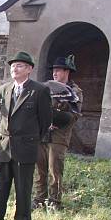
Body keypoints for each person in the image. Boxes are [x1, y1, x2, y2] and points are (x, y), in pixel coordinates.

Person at [0, 51, 52, 220]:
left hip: (25, 148)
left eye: (20, 65)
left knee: (23, 190)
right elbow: (4, 116)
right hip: (5, 147)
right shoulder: (4, 89)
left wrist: (30, 139)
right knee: (0, 188)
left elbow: (45, 121)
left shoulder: (39, 90)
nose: (15, 68)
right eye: (13, 65)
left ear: (30, 69)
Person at [33, 55, 83, 211]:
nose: (55, 73)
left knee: (55, 169)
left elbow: (75, 115)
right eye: (54, 70)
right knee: (40, 168)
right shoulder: (46, 88)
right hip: (43, 133)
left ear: (67, 72)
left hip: (59, 135)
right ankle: (39, 199)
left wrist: (57, 121)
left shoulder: (75, 91)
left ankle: (55, 201)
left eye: (58, 70)